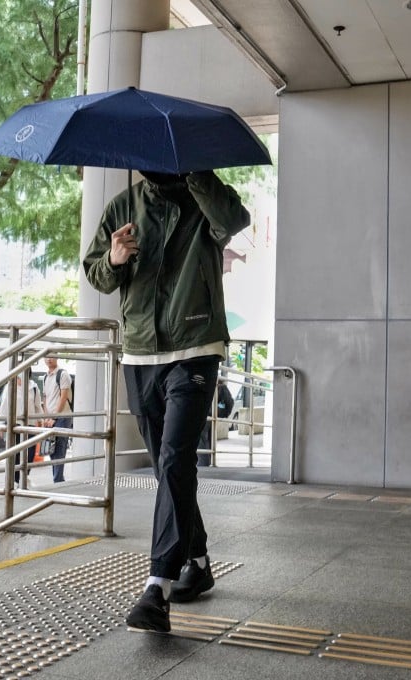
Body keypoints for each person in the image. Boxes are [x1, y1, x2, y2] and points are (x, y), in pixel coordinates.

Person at [83, 169, 250, 632]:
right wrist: (115, 259)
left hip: (196, 344)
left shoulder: (205, 193)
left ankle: (157, 586)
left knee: (176, 459)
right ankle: (197, 559)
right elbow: (96, 275)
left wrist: (197, 175)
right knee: (167, 467)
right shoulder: (123, 205)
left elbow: (234, 219)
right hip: (140, 351)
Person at [40, 356, 72, 483]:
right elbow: (45, 398)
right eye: (46, 357)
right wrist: (46, 417)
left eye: (52, 356)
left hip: (62, 417)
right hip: (50, 419)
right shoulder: (45, 377)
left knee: (59, 448)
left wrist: (54, 417)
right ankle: (58, 479)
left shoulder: (63, 374)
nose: (49, 359)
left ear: (57, 357)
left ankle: (57, 480)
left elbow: (63, 397)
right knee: (51, 450)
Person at [10, 374, 43, 484]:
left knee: (31, 452)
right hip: (16, 425)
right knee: (17, 453)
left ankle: (25, 476)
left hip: (30, 424)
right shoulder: (11, 386)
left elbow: (38, 405)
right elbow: (5, 405)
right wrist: (1, 424)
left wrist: (40, 420)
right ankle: (16, 479)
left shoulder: (33, 387)